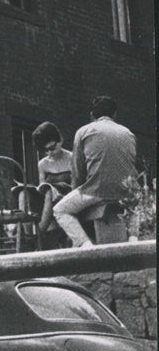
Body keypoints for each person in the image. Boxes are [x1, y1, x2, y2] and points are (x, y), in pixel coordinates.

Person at [52, 96, 137, 248]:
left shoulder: (83, 131)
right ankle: (133, 238)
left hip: (97, 190)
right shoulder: (129, 134)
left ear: (92, 115)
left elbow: (77, 171)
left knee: (60, 210)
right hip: (126, 191)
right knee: (135, 205)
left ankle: (86, 246)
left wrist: (75, 192)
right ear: (115, 115)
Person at [31, 121, 73, 233]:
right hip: (47, 201)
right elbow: (41, 187)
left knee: (49, 191)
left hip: (67, 199)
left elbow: (77, 186)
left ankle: (39, 233)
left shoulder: (72, 158)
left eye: (52, 147)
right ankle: (26, 234)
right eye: (46, 150)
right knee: (22, 193)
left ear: (60, 140)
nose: (50, 153)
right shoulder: (43, 164)